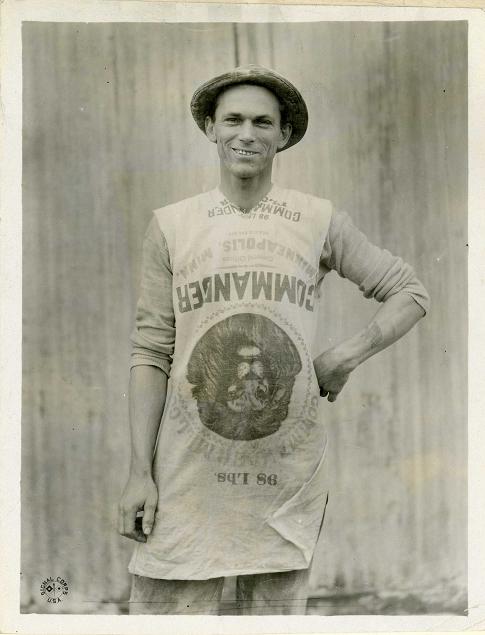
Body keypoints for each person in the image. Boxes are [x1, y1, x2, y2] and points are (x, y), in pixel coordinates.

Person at [118, 64, 429, 615]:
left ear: (283, 135)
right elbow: (151, 353)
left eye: (263, 122)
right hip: (187, 474)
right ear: (210, 128)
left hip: (284, 476)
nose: (247, 133)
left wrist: (344, 357)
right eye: (232, 119)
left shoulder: (317, 220)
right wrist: (140, 472)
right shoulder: (171, 225)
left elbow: (409, 292)